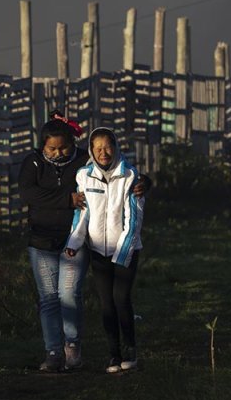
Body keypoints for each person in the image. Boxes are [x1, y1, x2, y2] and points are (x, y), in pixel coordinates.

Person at [19, 113, 148, 372]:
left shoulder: (82, 162)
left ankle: (73, 348)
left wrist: (146, 182)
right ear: (42, 146)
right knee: (49, 298)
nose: (57, 152)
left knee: (71, 294)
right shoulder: (34, 163)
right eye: (51, 148)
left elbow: (116, 172)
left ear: (74, 144)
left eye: (63, 147)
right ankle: (54, 352)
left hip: (75, 241)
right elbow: (28, 193)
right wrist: (67, 200)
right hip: (42, 240)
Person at [65, 127, 145, 374]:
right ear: (91, 149)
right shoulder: (84, 176)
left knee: (121, 299)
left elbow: (134, 218)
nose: (103, 152)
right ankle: (114, 355)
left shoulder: (130, 175)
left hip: (126, 251)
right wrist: (74, 243)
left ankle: (130, 349)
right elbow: (82, 214)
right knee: (106, 304)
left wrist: (122, 253)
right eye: (97, 148)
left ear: (116, 146)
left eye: (107, 146)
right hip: (98, 251)